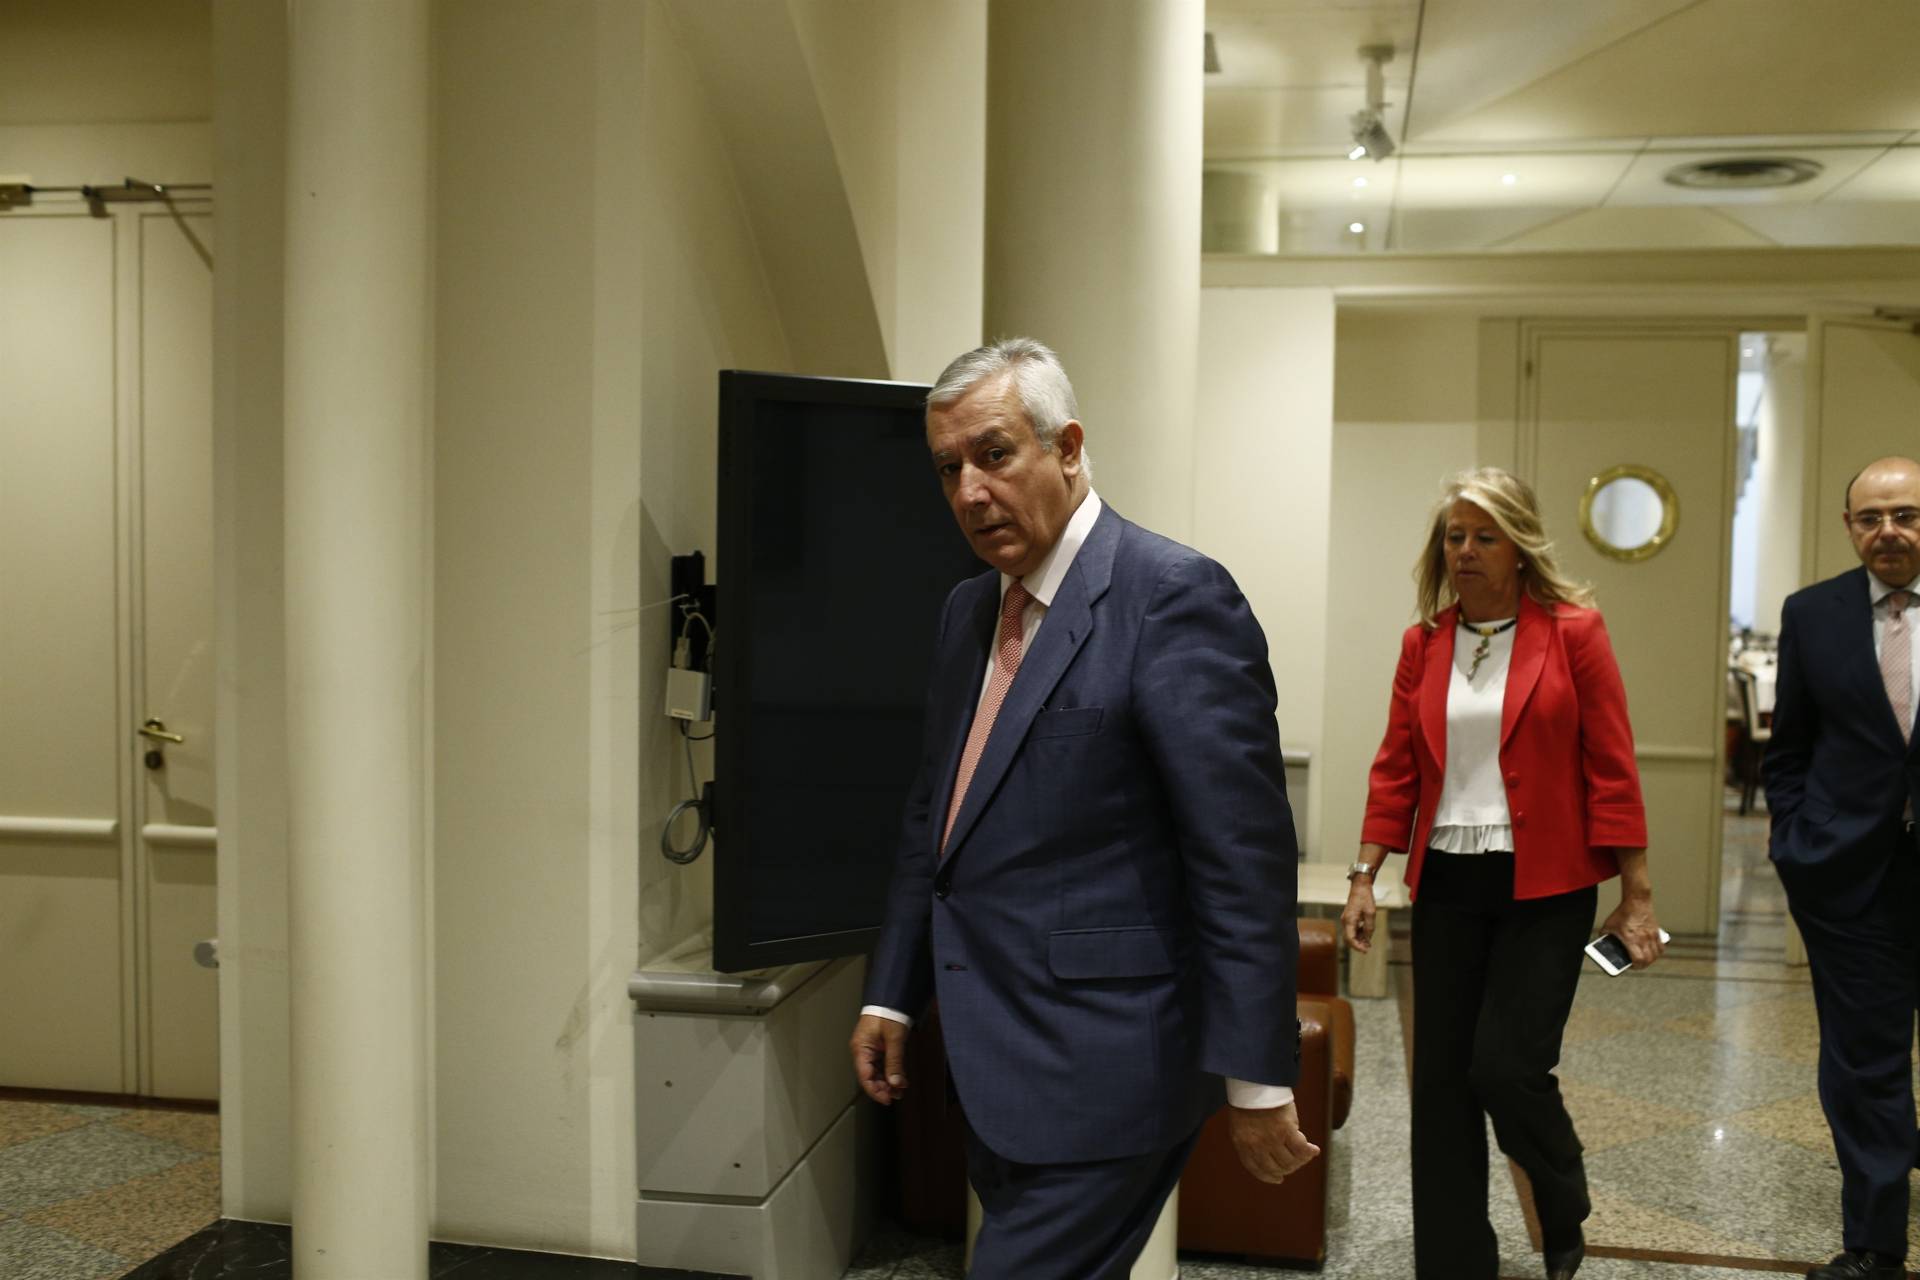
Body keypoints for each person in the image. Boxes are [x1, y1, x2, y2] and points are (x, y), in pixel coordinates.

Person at [847, 338, 1316, 1278]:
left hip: (1112, 1070)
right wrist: (892, 988)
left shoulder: (1174, 597)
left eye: (993, 455)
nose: (970, 492)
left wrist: (1258, 1078)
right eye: (949, 469)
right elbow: (934, 816)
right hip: (992, 1057)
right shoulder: (966, 614)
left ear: (1067, 447)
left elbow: (1241, 855)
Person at [1341, 468, 1663, 1280]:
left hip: (1548, 885)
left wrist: (1637, 891)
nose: (1467, 552)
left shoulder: (1573, 632)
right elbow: (1396, 769)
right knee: (1443, 1086)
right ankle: (1454, 1262)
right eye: (1455, 536)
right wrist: (1364, 874)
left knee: (1507, 1067)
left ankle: (1561, 1198)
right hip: (1447, 882)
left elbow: (1612, 767)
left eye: (1486, 536)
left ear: (1520, 547)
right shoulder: (1425, 644)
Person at [1763, 456, 1920, 1280]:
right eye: (1871, 517)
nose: (1888, 531)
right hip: (1849, 879)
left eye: (1907, 514)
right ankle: (1874, 1246)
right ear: (1851, 526)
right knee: (1863, 1066)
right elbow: (1788, 746)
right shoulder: (1812, 613)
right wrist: (1796, 840)